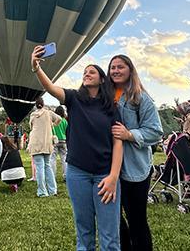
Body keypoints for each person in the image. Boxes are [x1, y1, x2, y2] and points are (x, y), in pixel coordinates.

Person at [32, 46, 124, 250]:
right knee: (84, 231)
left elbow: (118, 142)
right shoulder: (74, 99)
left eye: (92, 71)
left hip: (105, 175)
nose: (87, 74)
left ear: (102, 79)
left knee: (110, 235)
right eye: (85, 72)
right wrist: (36, 67)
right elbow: (51, 88)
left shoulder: (110, 107)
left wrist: (113, 177)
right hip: (78, 172)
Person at [108, 55, 164, 251]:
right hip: (110, 167)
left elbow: (156, 131)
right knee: (114, 217)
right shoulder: (105, 95)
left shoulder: (141, 98)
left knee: (136, 218)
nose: (115, 70)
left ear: (130, 70)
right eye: (112, 67)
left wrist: (129, 134)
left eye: (120, 67)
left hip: (135, 168)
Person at [27, 97, 61, 197]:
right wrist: (52, 125)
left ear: (35, 105)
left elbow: (32, 128)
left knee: (39, 167)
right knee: (47, 166)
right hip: (47, 143)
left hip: (36, 143)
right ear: (43, 103)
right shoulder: (49, 113)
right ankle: (52, 190)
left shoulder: (33, 115)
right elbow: (59, 118)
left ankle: (42, 191)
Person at [50, 105, 69, 182]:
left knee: (52, 159)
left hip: (55, 141)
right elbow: (66, 131)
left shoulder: (54, 121)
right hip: (63, 141)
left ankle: (52, 176)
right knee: (64, 159)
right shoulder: (65, 121)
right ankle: (66, 176)